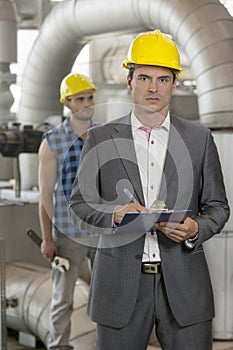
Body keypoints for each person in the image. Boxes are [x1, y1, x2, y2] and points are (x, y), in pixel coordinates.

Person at [69, 30, 230, 350]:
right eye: (144, 78)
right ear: (130, 81)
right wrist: (115, 214)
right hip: (119, 286)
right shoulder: (101, 138)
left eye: (163, 79)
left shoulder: (198, 139)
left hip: (185, 285)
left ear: (174, 83)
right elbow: (78, 205)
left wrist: (196, 227)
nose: (153, 87)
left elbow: (218, 206)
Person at [38, 72, 97, 350]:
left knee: (108, 295)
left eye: (90, 98)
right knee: (63, 298)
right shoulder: (53, 142)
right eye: (80, 99)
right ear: (68, 103)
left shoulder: (103, 135)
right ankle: (58, 346)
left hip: (102, 231)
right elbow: (45, 195)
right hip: (68, 234)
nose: (86, 104)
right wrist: (47, 238)